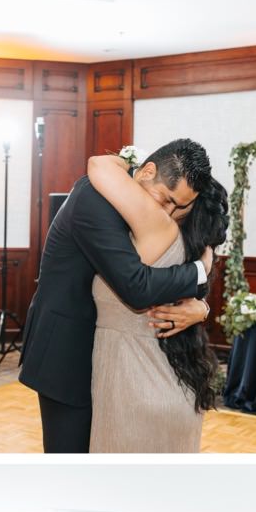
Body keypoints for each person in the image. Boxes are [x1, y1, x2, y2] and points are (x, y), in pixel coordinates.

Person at [17, 141, 216, 454]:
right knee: (71, 463)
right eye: (167, 200)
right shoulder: (93, 199)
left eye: (180, 208)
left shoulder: (130, 204)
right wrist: (198, 272)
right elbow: (136, 287)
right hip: (67, 352)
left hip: (108, 357)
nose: (168, 213)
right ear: (147, 171)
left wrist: (201, 307)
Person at [85, 156, 230, 453]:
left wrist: (128, 161)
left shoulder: (158, 228)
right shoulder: (192, 250)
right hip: (175, 389)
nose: (166, 209)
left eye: (176, 203)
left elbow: (98, 166)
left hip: (133, 392)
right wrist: (202, 308)